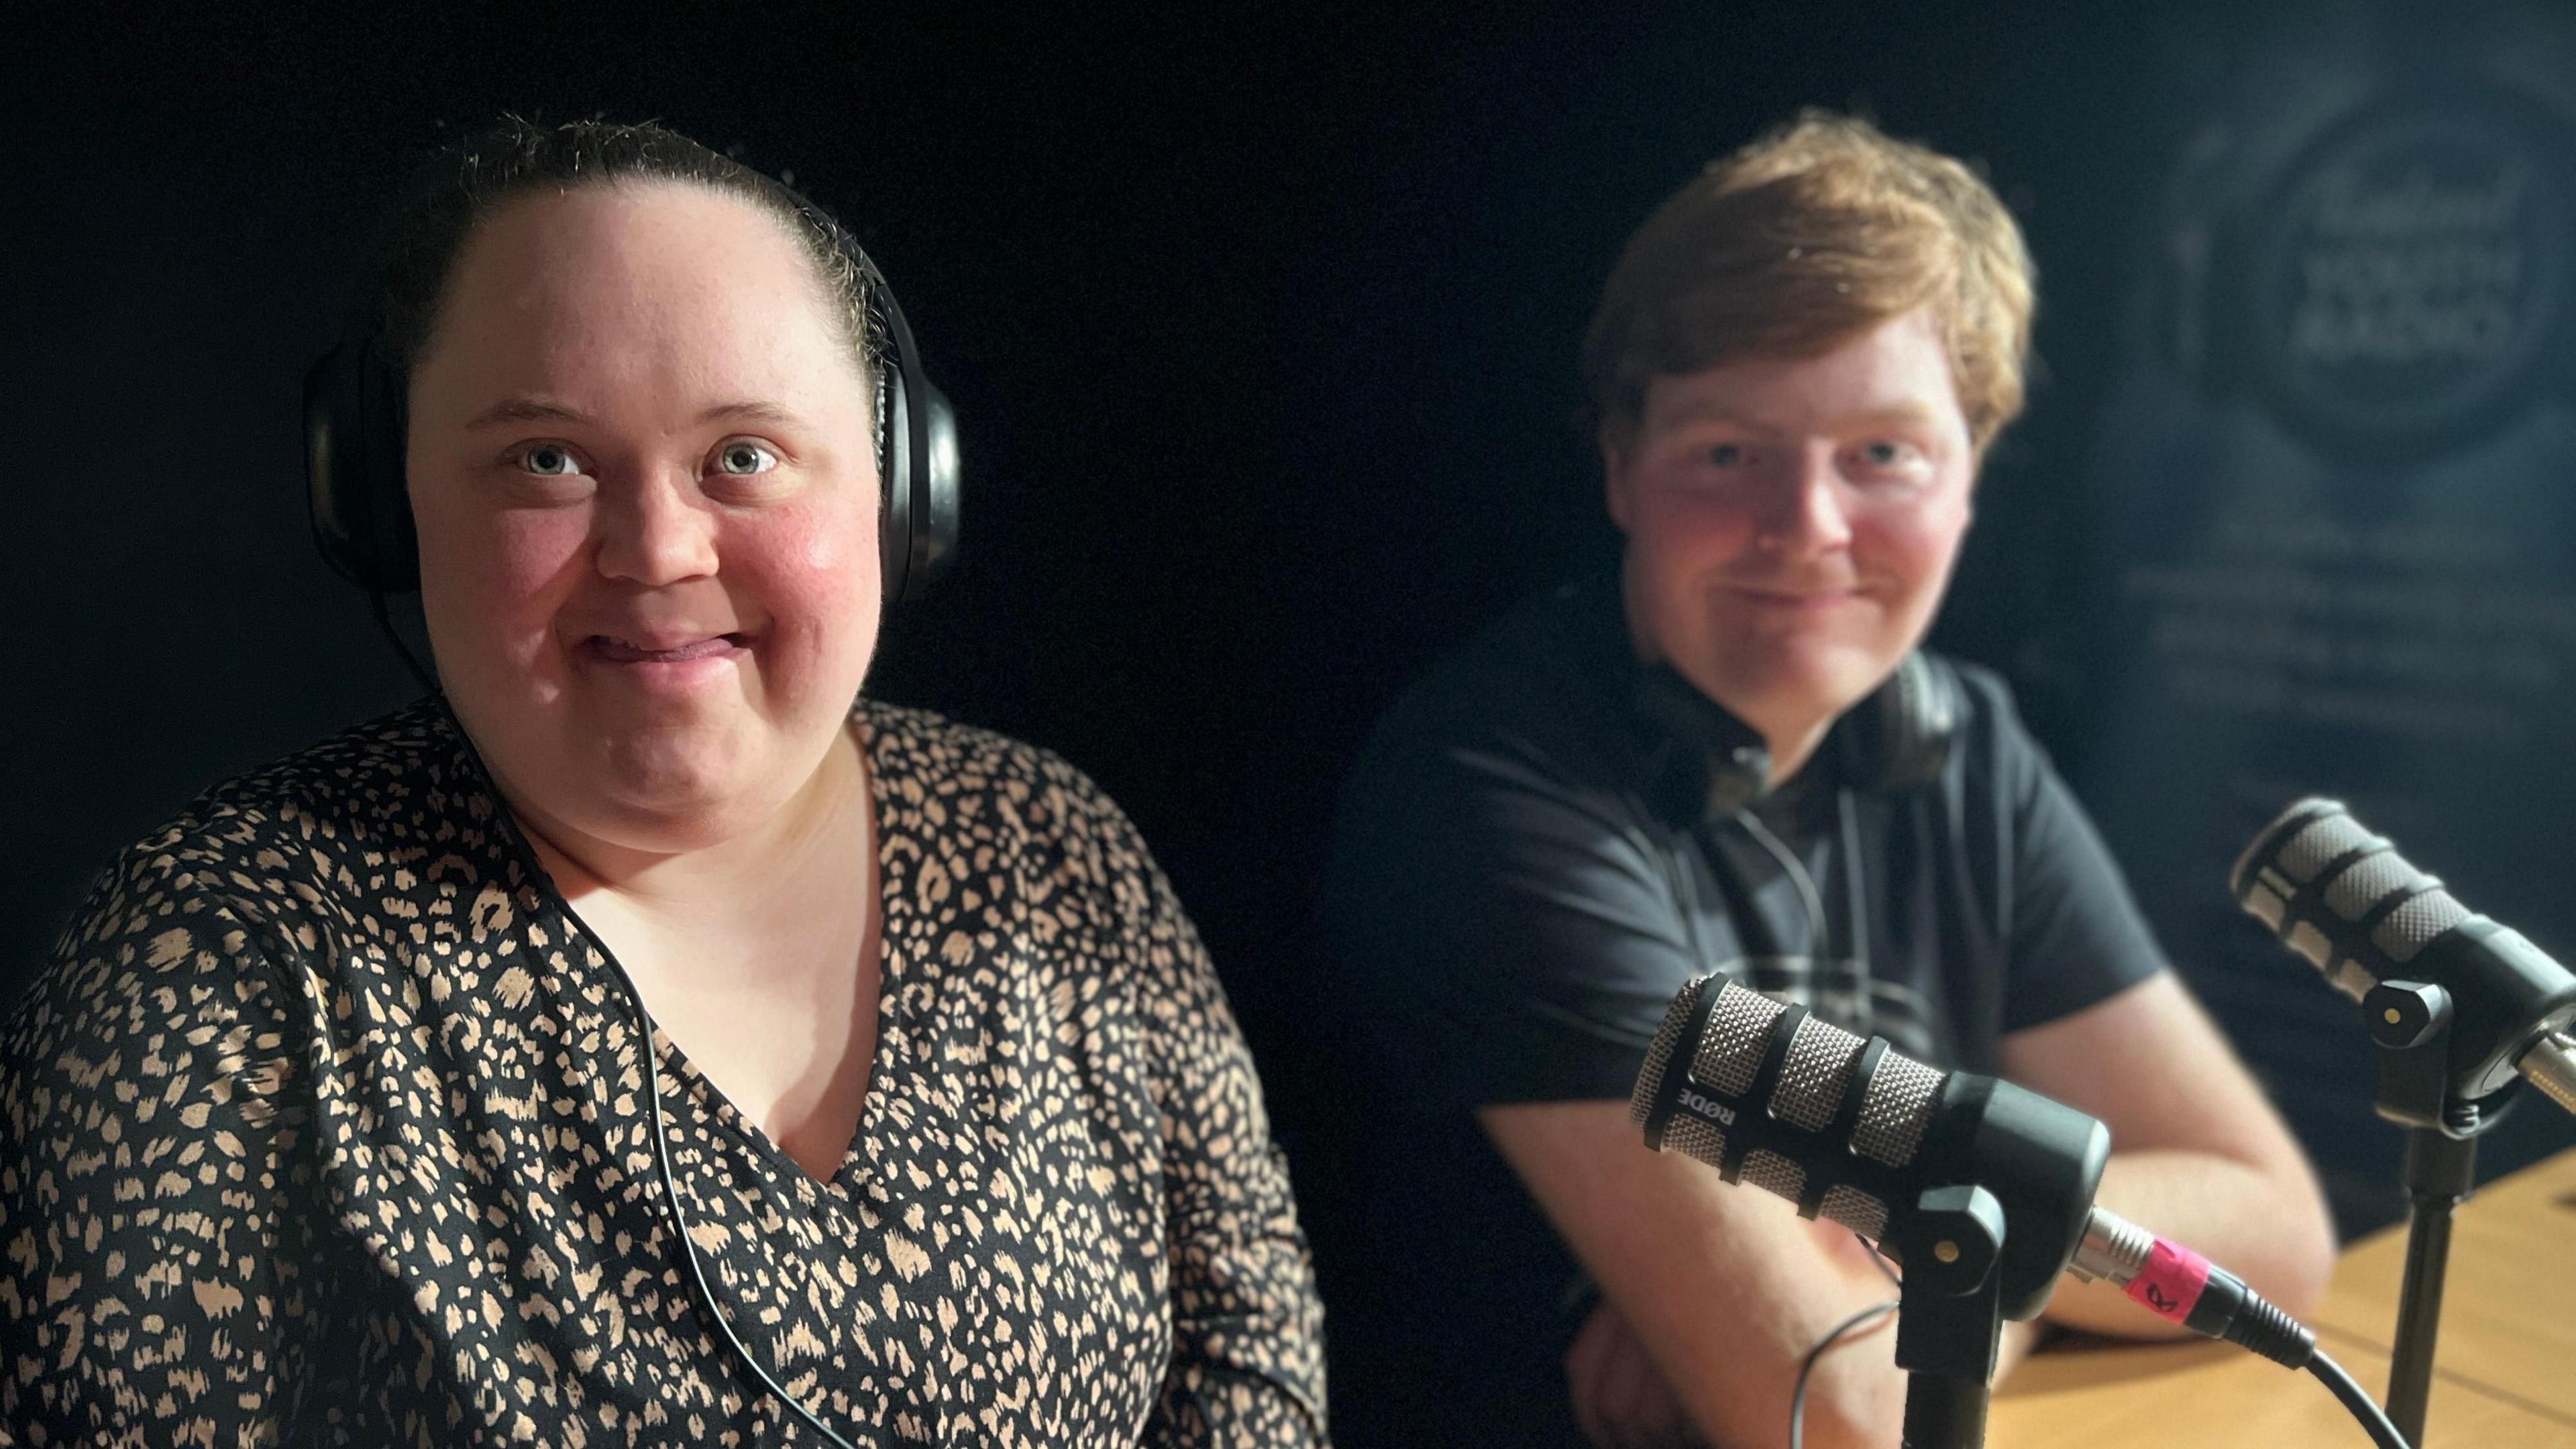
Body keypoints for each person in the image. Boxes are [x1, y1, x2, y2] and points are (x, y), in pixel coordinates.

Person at [0, 118, 1325, 1446]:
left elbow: (1249, 1379)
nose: (657, 548)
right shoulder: (214, 961)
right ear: (387, 505)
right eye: (548, 460)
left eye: (742, 455)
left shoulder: (1046, 840)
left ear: (902, 492)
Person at [1315, 111, 2335, 1449]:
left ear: (1971, 477)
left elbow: (2271, 1226)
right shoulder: (1492, 790)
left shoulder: (1964, 745)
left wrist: (1957, 1275)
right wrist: (2003, 1263)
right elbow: (1839, 1411)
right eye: (1730, 451)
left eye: (1884, 454)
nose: (1807, 530)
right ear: (1621, 466)